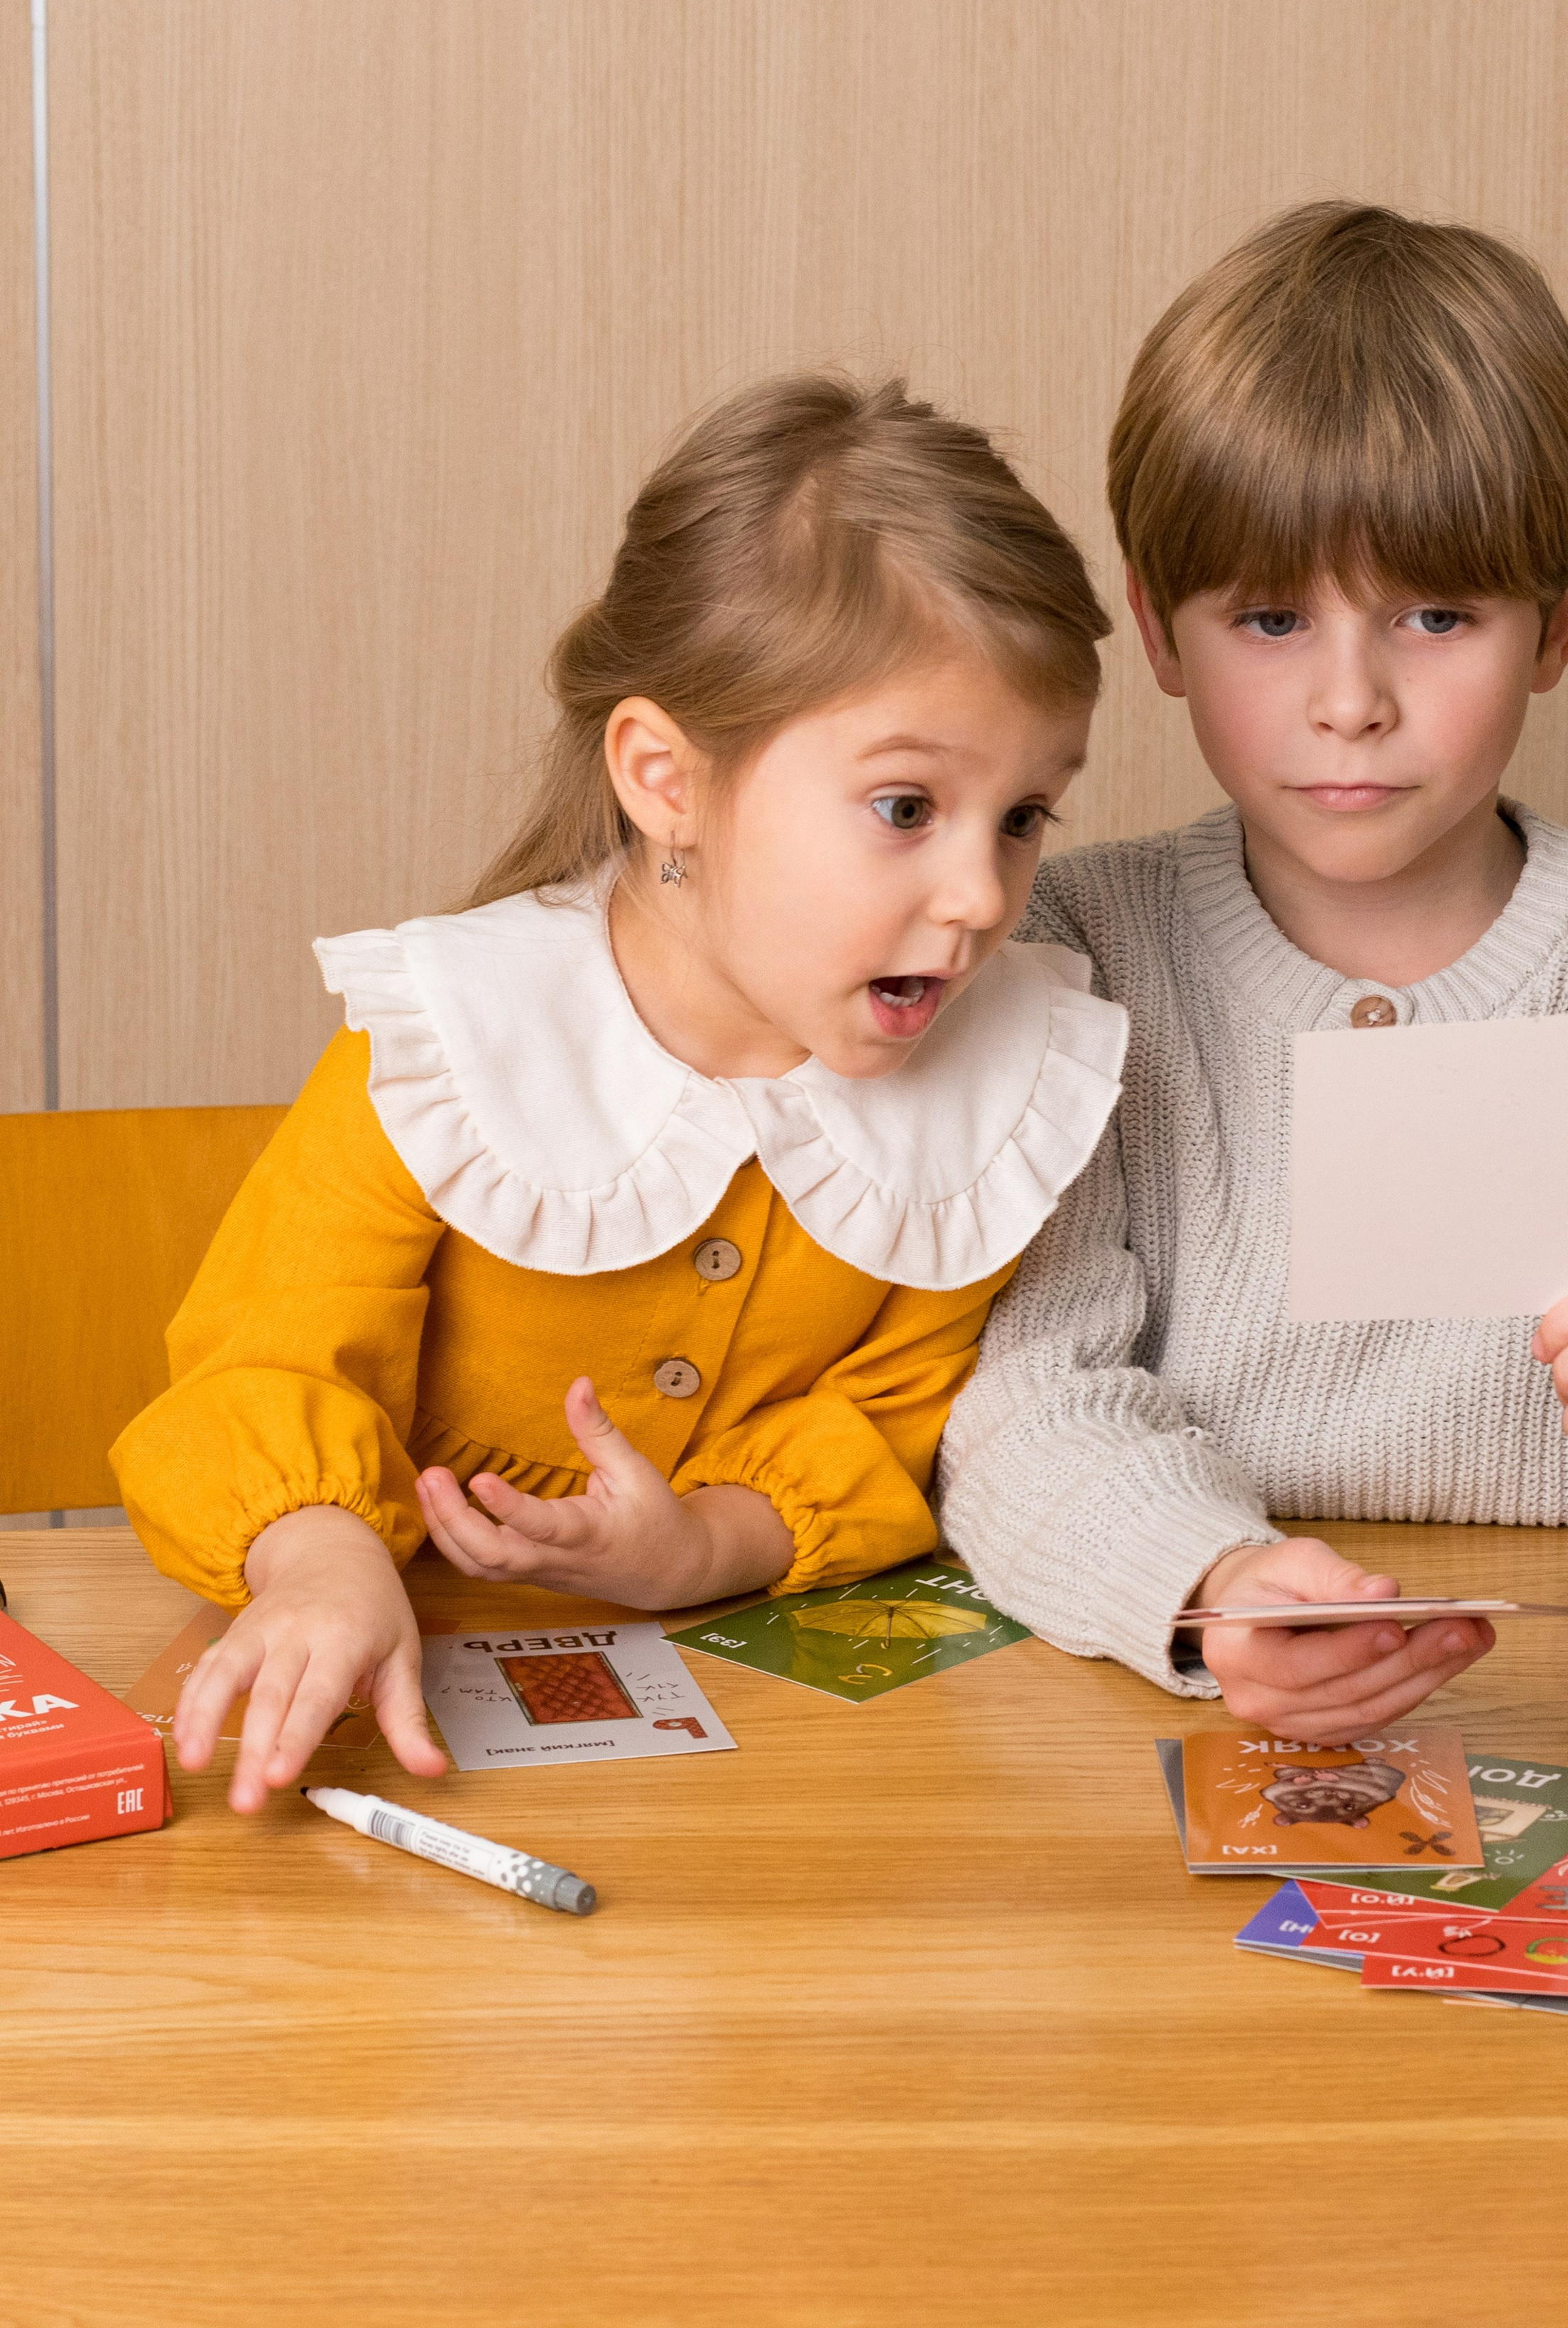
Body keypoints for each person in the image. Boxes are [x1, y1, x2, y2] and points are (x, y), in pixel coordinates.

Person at [114, 375, 1126, 1812]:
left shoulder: (990, 1088)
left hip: (794, 1775)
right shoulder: (456, 1046)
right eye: (906, 808)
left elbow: (897, 1406)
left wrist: (706, 1545)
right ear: (664, 777)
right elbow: (265, 1362)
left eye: (1024, 816)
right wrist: (323, 1560)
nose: (977, 897)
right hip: (403, 1720)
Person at [938, 202, 1568, 1738]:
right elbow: (1022, 1407)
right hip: (1166, 1691)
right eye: (1269, 618)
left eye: (1435, 615)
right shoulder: (1071, 956)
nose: (1350, 702)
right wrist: (1209, 1585)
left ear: (1558, 623)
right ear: (1155, 626)